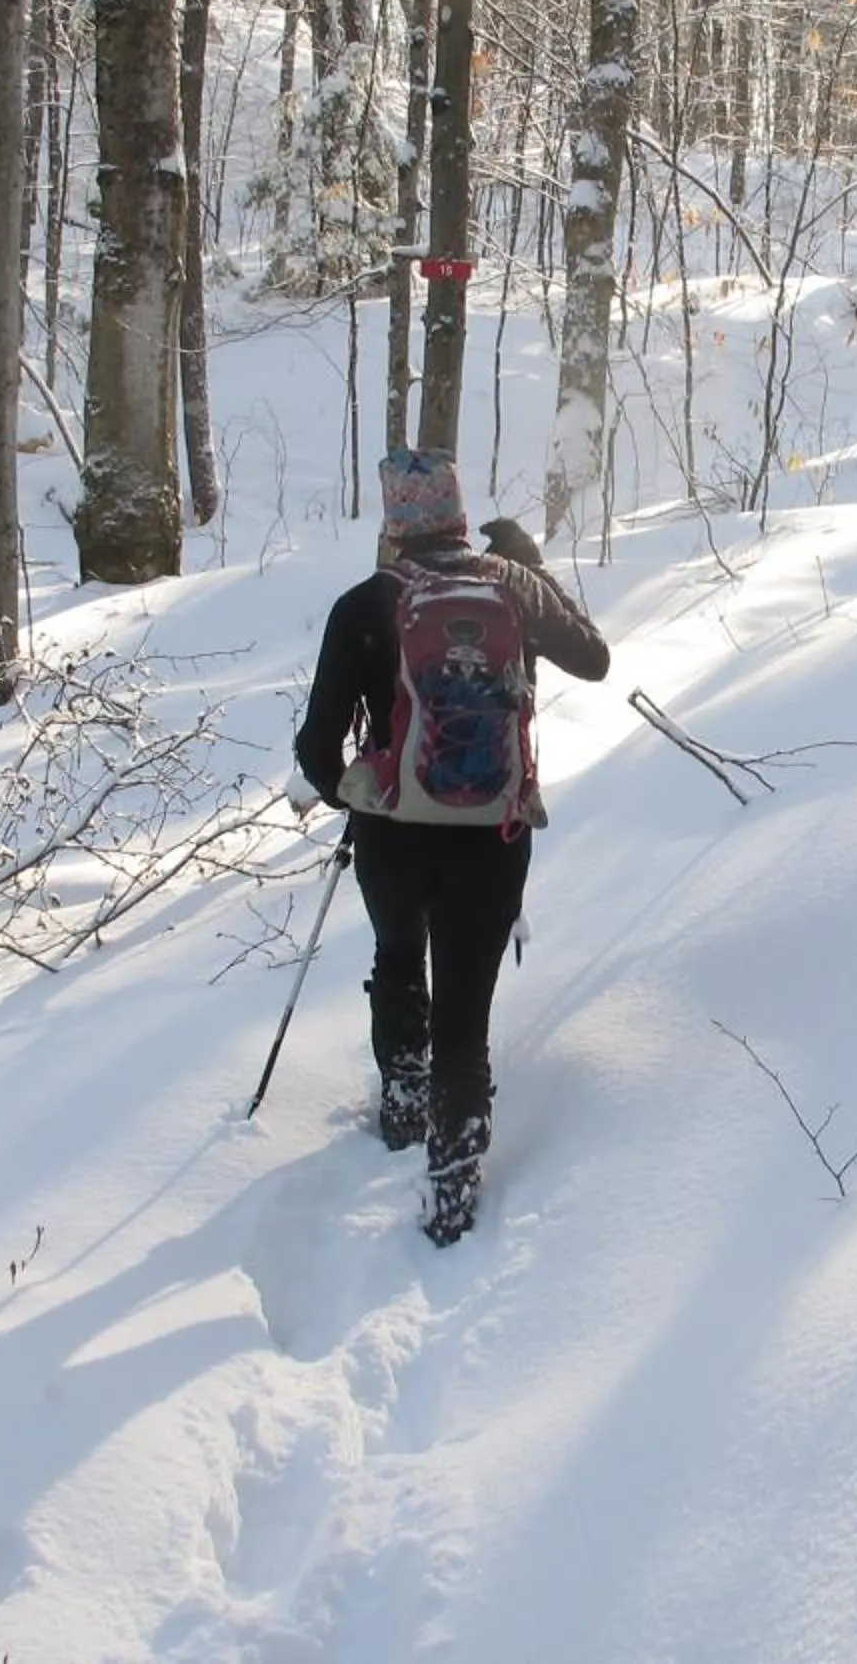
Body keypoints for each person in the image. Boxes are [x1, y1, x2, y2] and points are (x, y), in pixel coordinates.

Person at [295, 449, 609, 1246]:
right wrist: (530, 566)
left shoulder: (364, 604)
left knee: (399, 958)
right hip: (492, 837)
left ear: (394, 524)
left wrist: (359, 789)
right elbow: (595, 660)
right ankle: (454, 1186)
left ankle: (403, 1106)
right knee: (466, 1018)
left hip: (392, 837)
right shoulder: (513, 586)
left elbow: (317, 752)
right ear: (462, 514)